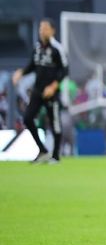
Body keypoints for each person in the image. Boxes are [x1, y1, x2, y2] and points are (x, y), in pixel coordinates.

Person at [11, 19, 68, 163]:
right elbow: (32, 66)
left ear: (52, 30)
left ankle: (55, 156)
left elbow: (65, 70)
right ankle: (42, 150)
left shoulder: (57, 48)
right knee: (27, 118)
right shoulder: (37, 48)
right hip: (38, 90)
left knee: (55, 123)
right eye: (41, 28)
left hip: (51, 92)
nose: (43, 31)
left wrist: (54, 86)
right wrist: (21, 72)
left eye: (46, 28)